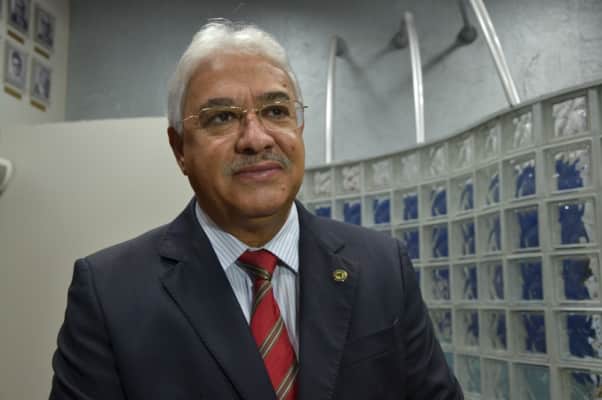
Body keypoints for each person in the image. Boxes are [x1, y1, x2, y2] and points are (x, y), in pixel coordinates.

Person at [49, 20, 463, 400]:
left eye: (276, 112)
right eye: (221, 117)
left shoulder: (382, 267)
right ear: (180, 149)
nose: (256, 138)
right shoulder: (110, 293)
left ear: (298, 128)